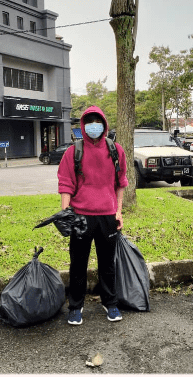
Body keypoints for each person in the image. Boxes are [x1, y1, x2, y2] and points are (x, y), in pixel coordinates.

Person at [57, 106, 128, 325]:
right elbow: (65, 183)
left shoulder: (116, 150)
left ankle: (111, 303)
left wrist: (118, 211)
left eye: (98, 122)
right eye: (90, 122)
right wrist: (65, 212)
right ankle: (76, 306)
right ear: (83, 126)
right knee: (78, 263)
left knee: (108, 263)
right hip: (80, 216)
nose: (94, 126)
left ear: (104, 125)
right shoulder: (73, 151)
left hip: (107, 216)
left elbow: (121, 183)